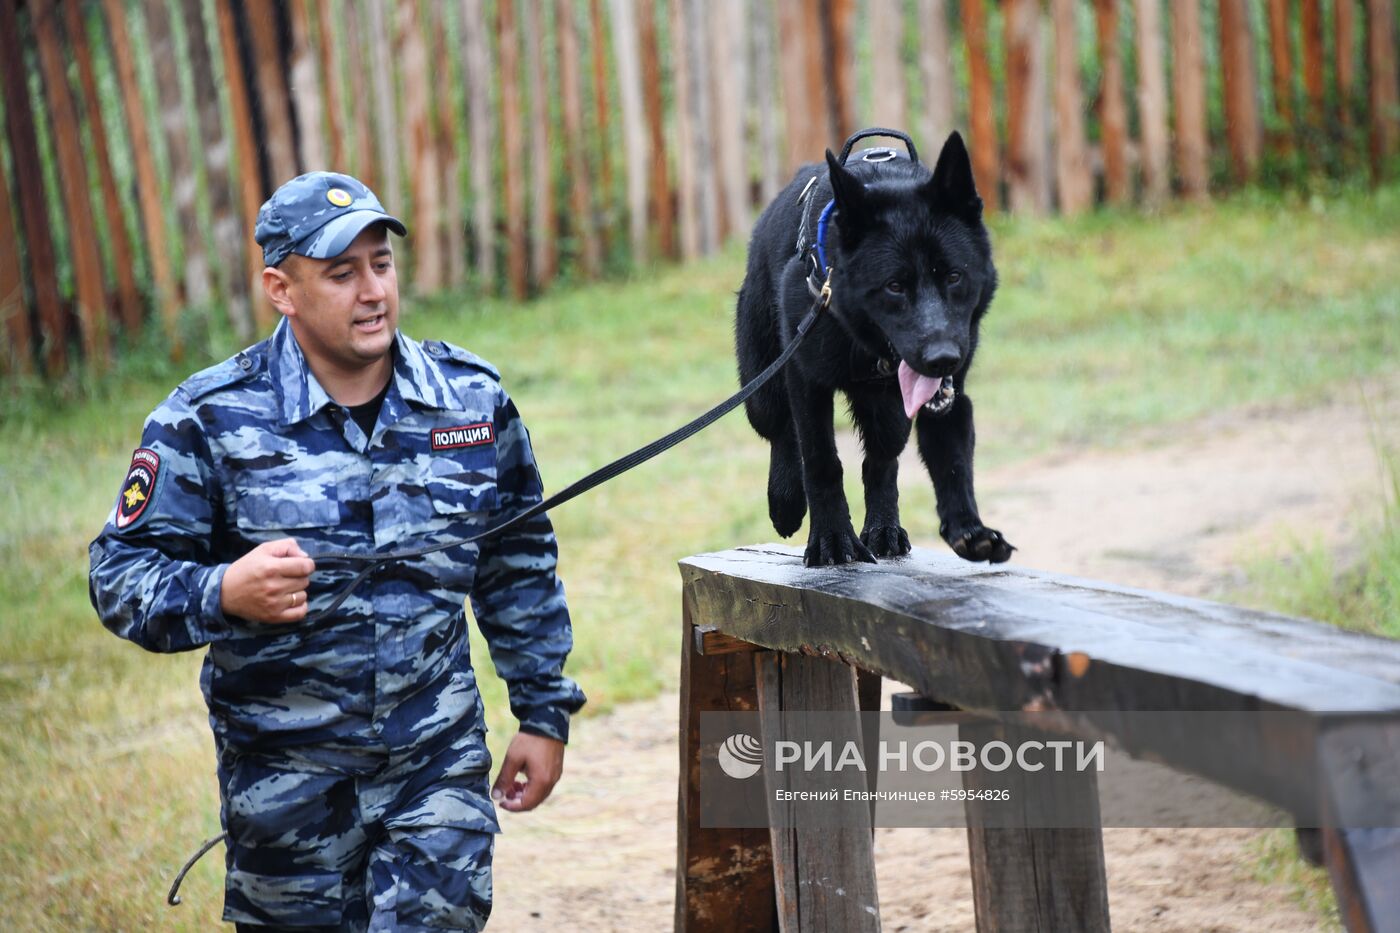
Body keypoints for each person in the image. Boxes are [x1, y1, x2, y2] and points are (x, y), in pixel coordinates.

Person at [89, 171, 586, 931]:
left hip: (435, 766)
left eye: (381, 264)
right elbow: (119, 574)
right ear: (280, 289)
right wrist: (222, 590)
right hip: (285, 789)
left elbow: (517, 557)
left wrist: (544, 709)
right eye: (341, 272)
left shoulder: (469, 402)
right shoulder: (210, 419)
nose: (372, 291)